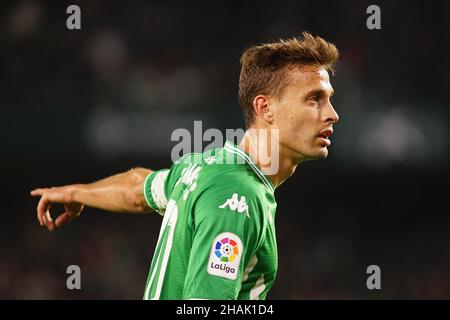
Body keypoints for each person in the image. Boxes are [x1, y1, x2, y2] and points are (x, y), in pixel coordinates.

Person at [31, 32, 339, 300]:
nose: (332, 114)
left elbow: (139, 188)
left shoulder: (207, 165)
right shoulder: (239, 195)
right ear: (265, 107)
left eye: (328, 99)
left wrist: (77, 192)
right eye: (314, 99)